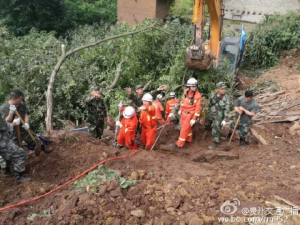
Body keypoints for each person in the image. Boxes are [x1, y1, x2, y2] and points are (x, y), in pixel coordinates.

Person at [171, 78, 202, 149]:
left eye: (195, 86)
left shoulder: (198, 95)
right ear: (189, 87)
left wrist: (194, 119)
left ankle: (179, 145)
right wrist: (180, 109)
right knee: (187, 128)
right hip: (183, 113)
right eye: (193, 86)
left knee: (184, 129)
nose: (195, 88)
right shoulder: (185, 92)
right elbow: (183, 101)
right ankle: (188, 139)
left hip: (190, 115)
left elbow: (198, 108)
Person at [0, 113, 30, 182]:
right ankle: (19, 176)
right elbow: (3, 126)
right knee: (21, 154)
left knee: (6, 156)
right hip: (2, 143)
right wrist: (13, 124)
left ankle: (6, 171)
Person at [205, 82, 231, 150]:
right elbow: (210, 103)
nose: (224, 90)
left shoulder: (226, 97)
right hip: (212, 112)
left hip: (219, 114)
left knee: (216, 128)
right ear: (218, 89)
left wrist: (225, 119)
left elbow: (227, 109)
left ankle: (215, 142)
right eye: (222, 89)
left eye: (224, 88)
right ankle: (209, 131)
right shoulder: (213, 94)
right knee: (207, 123)